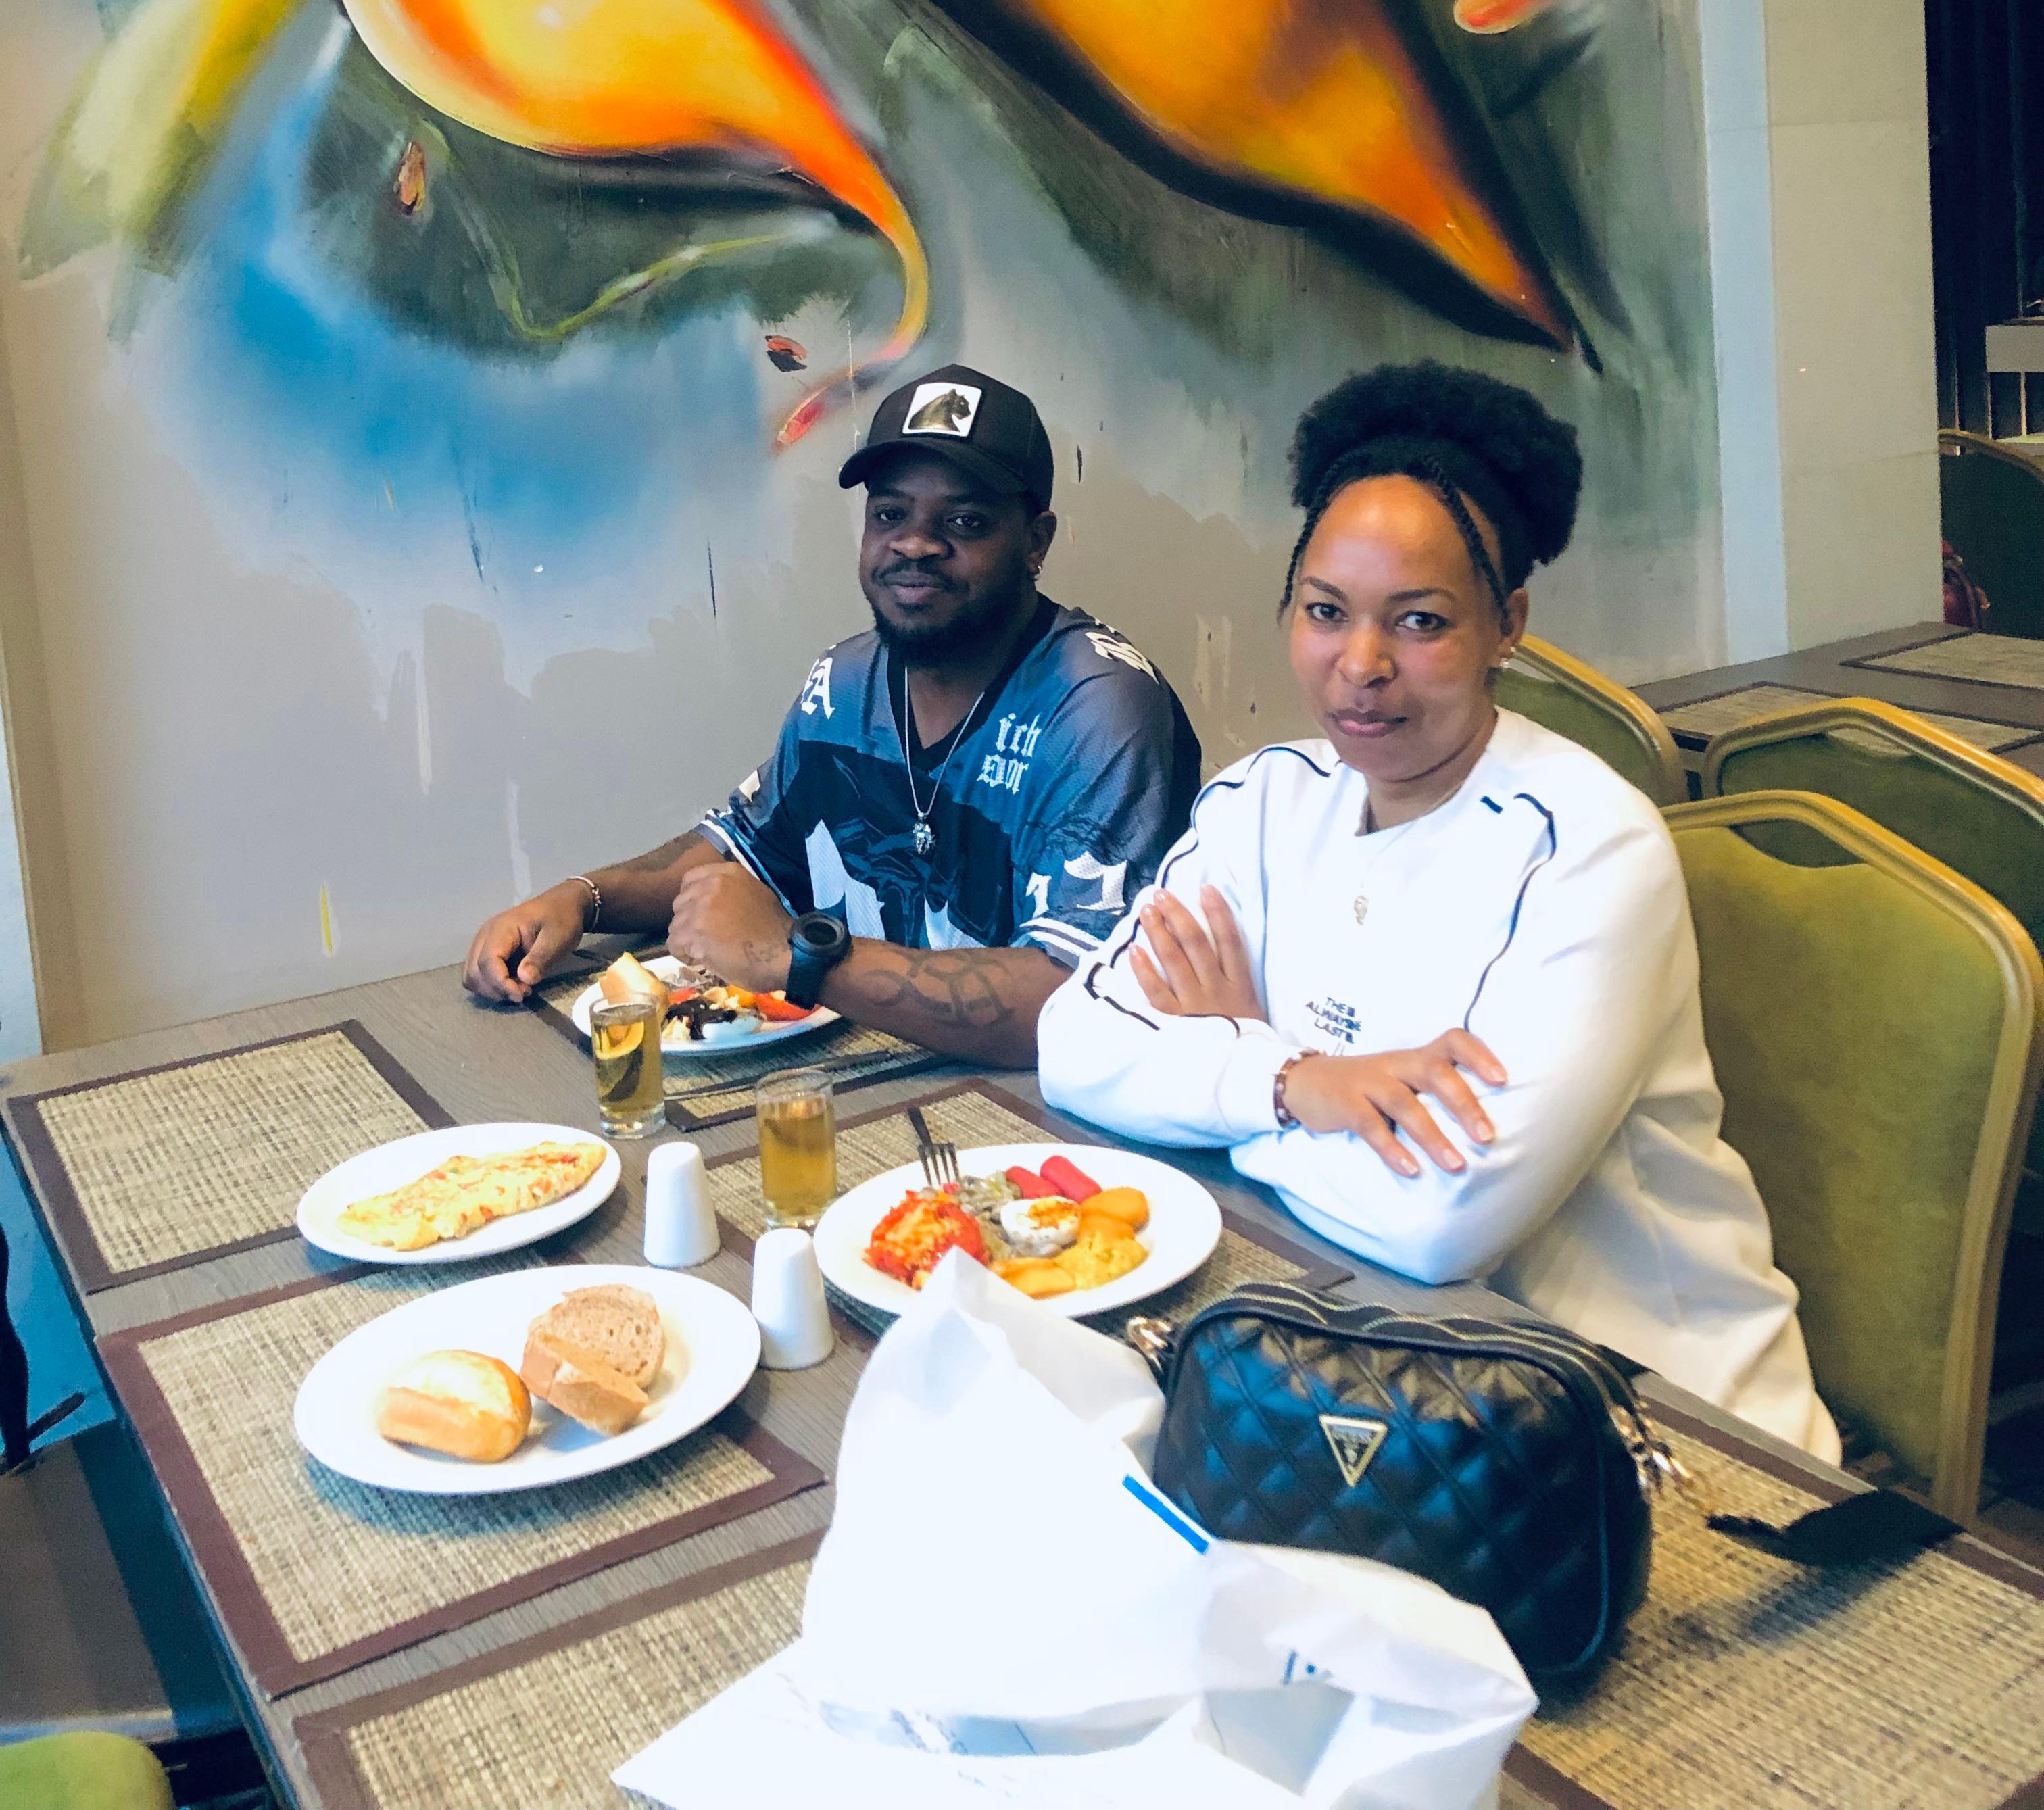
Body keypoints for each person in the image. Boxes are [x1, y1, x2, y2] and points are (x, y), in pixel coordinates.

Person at [1037, 362, 1837, 1457]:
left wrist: (1221, 1078)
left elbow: (1438, 1223)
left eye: (1418, 621)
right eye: (1325, 612)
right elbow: (1071, 1047)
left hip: (1648, 1422)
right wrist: (1298, 1083)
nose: (1361, 666)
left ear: (1506, 625)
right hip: (1380, 1371)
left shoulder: (1582, 848)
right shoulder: (1263, 800)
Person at [464, 365, 1202, 1066]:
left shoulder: (1097, 707)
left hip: (1030, 1110)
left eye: (966, 521)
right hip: (862, 1069)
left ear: (1035, 542)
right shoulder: (844, 682)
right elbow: (743, 850)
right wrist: (582, 899)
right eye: (890, 514)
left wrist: (797, 955)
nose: (916, 544)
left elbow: (1076, 996)